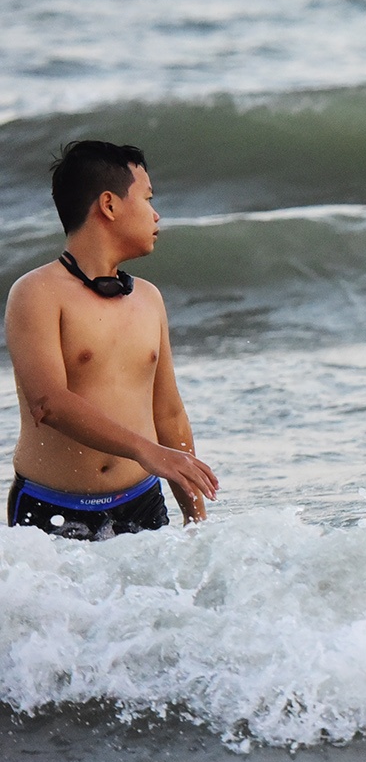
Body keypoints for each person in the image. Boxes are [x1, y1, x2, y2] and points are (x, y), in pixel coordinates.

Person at [7, 141, 217, 538]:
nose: (156, 214)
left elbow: (169, 414)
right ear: (109, 204)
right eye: (147, 198)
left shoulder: (149, 299)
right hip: (53, 508)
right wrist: (146, 450)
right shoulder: (35, 293)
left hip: (142, 502)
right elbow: (48, 402)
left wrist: (196, 521)